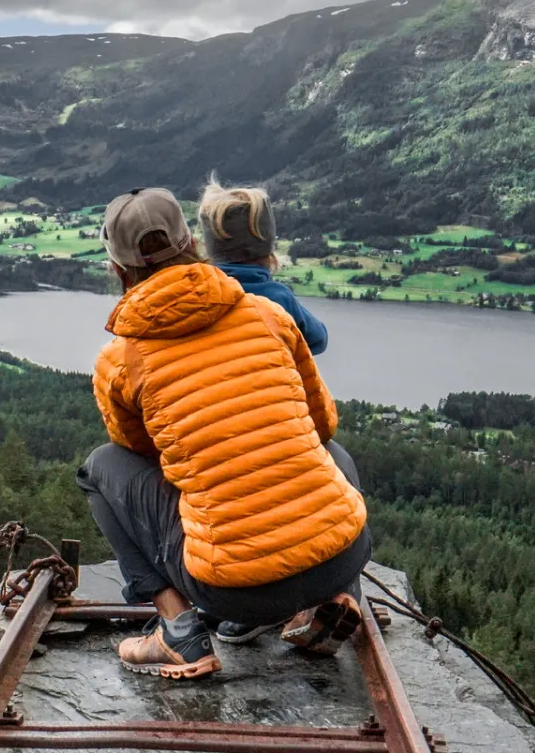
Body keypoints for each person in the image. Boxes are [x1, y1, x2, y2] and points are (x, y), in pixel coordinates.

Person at [76, 187, 373, 680]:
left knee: (100, 467)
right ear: (192, 242)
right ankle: (336, 598)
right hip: (344, 555)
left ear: (118, 270)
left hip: (235, 591)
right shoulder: (268, 315)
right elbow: (321, 425)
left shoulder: (120, 362)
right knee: (329, 449)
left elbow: (141, 456)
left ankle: (178, 632)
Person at [199, 177, 328, 355]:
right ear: (269, 253)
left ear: (210, 252)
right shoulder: (278, 297)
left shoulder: (199, 294)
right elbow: (319, 339)